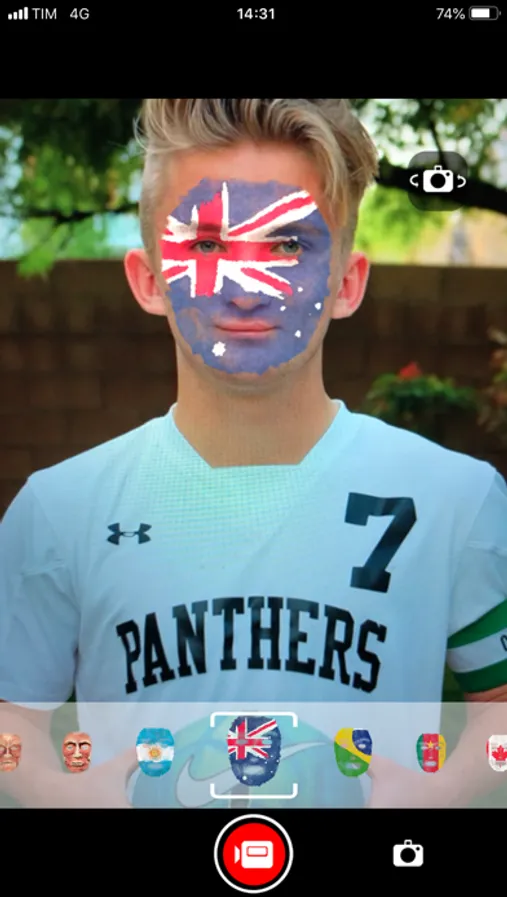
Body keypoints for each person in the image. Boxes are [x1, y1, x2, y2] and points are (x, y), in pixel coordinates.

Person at [0, 99, 506, 809]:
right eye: (206, 246)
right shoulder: (59, 509)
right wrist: (58, 794)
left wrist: (442, 792)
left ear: (347, 283)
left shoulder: (457, 498)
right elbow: (11, 718)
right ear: (148, 279)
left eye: (287, 245)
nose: (244, 288)